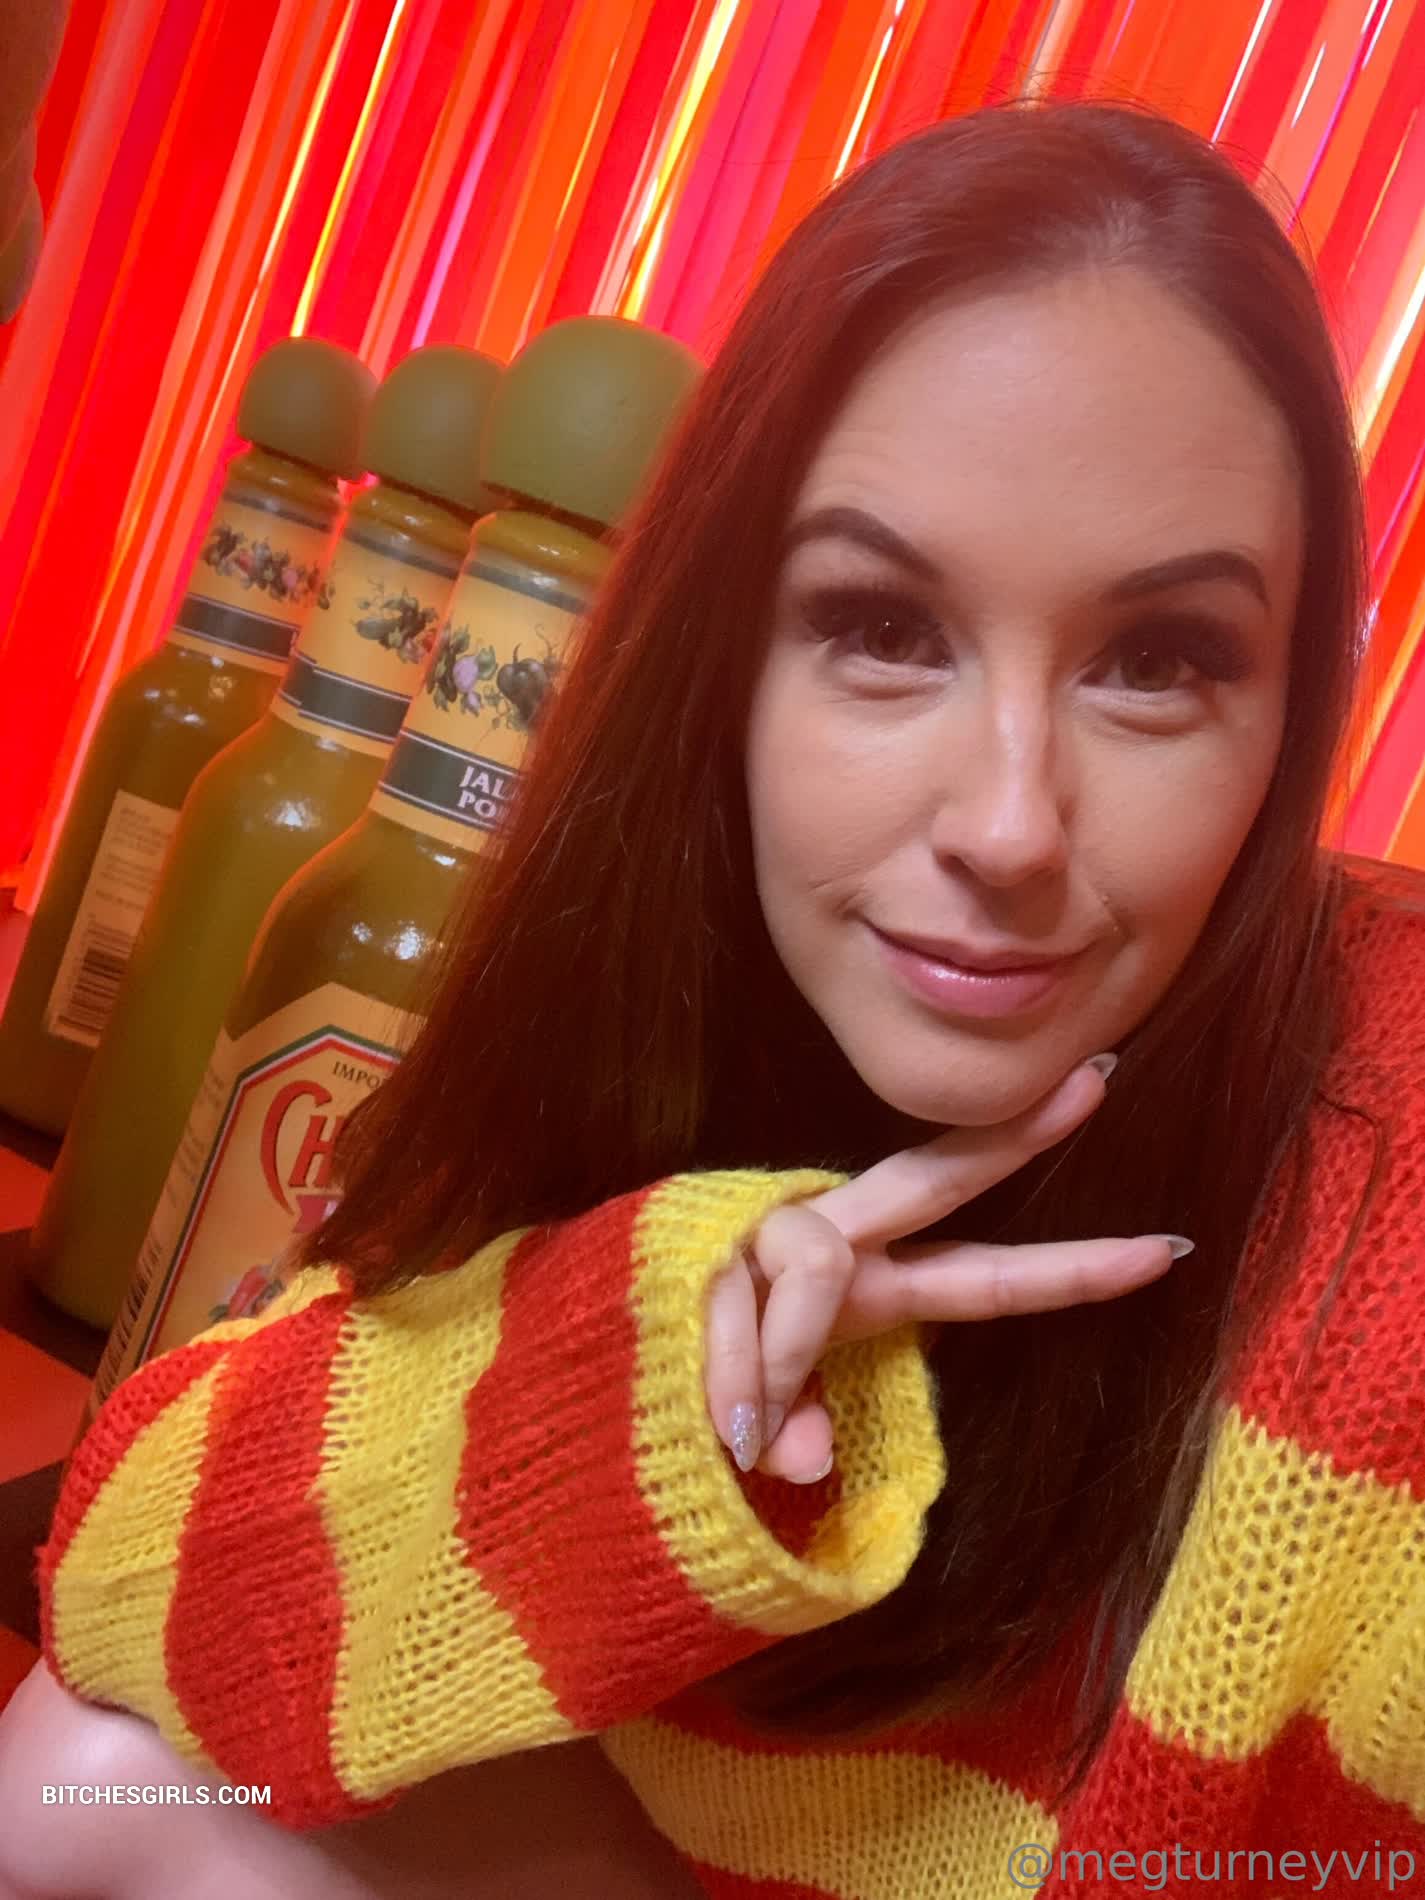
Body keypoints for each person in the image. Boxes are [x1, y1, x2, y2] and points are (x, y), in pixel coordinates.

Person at [5, 96, 1425, 1899]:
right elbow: (129, 1587)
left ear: (1286, 714)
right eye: (884, 629)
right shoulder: (633, 984)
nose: (1007, 826)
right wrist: (636, 1390)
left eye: (1157, 661)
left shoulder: (1385, 1197)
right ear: (724, 663)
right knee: (84, 1780)